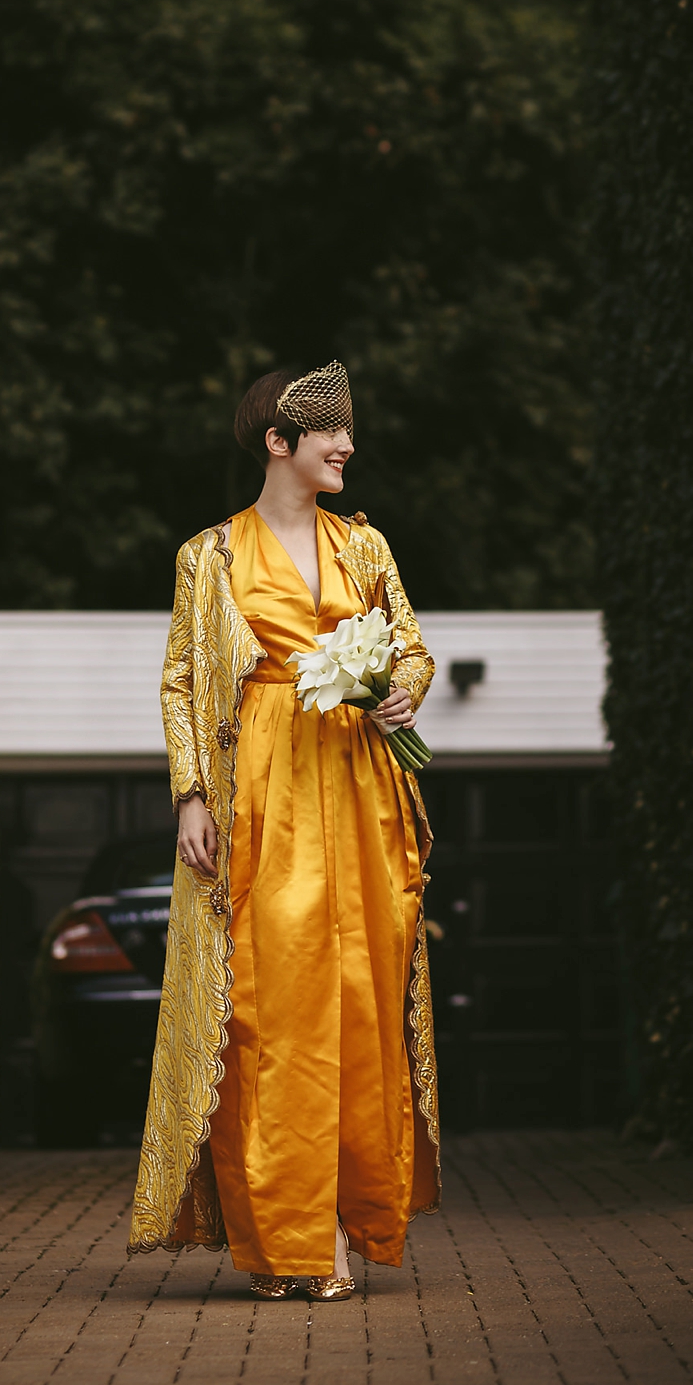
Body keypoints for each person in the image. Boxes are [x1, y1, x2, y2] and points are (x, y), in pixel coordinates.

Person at [128, 360, 440, 1300]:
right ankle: (293, 1245)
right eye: (329, 431)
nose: (348, 445)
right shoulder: (209, 556)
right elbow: (184, 679)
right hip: (260, 794)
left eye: (347, 431)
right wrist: (192, 796)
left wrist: (401, 693)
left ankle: (348, 1223)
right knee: (272, 1016)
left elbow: (413, 648)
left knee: (362, 1005)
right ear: (279, 442)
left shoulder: (368, 547)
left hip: (360, 792)